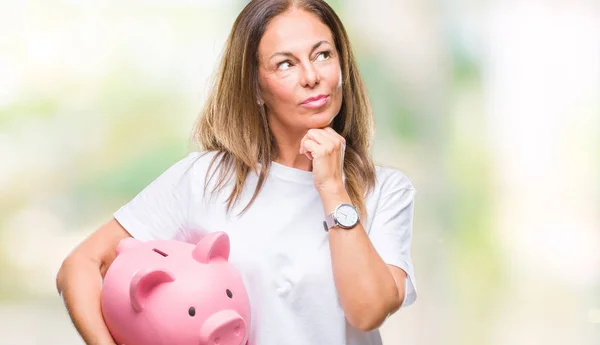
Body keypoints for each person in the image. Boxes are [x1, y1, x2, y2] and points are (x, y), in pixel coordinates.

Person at [56, 0, 418, 344]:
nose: (311, 76)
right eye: (285, 64)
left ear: (342, 66)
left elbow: (368, 311)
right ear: (257, 88)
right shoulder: (206, 179)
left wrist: (333, 188)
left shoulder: (386, 190)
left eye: (323, 55)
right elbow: (80, 266)